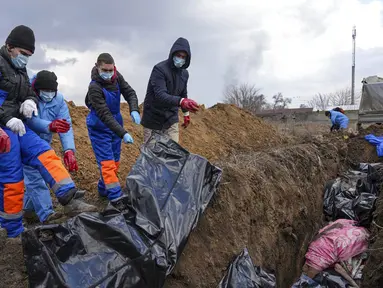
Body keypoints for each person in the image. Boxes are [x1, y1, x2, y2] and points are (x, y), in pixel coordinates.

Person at [0, 25, 97, 238]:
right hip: (3, 130)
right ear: (9, 47)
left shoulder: (20, 70)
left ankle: (70, 199)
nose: (25, 59)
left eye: (29, 55)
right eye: (23, 54)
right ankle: (12, 233)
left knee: (45, 153)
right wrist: (6, 120)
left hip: (18, 126)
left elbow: (28, 92)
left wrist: (28, 100)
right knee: (12, 179)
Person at [23, 70, 78, 223]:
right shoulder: (28, 96)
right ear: (36, 89)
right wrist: (50, 126)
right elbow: (29, 120)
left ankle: (28, 211)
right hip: (27, 142)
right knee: (35, 179)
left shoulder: (58, 100)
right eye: (45, 91)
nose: (48, 94)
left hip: (43, 144)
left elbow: (65, 125)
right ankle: (47, 215)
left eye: (52, 91)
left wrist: (69, 150)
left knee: (36, 177)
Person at [85, 53, 140, 201]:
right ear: (97, 67)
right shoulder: (94, 87)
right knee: (107, 164)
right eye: (105, 70)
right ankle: (116, 199)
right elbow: (104, 114)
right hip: (99, 126)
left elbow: (130, 92)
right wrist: (123, 133)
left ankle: (103, 190)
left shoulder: (117, 77)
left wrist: (134, 108)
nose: (108, 74)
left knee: (115, 162)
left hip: (116, 121)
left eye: (111, 70)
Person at [141, 37, 200, 143]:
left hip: (171, 119)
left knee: (173, 154)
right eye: (178, 55)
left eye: (183, 57)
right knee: (152, 156)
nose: (180, 58)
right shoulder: (159, 70)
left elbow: (183, 93)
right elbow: (160, 95)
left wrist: (186, 114)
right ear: (172, 54)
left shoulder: (184, 74)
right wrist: (181, 101)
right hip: (153, 119)